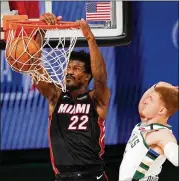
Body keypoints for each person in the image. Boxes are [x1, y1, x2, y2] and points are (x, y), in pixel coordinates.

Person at [32, 13, 111, 181]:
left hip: (93, 176)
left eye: (76, 68)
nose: (69, 71)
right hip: (63, 177)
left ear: (87, 76)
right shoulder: (56, 97)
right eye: (68, 68)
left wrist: (90, 38)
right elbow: (34, 69)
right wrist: (41, 31)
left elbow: (101, 78)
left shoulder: (96, 99)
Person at [118, 82, 178, 181]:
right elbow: (142, 102)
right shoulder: (145, 124)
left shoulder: (162, 134)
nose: (145, 101)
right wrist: (158, 85)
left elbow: (176, 159)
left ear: (161, 111)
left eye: (151, 100)